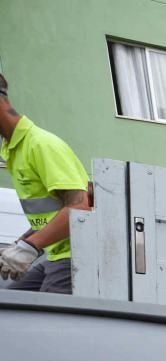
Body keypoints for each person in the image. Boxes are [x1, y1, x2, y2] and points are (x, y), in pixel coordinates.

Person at [0, 72, 90, 293]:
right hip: (56, 254)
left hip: (75, 257)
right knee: (11, 305)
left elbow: (80, 207)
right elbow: (52, 212)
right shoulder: (12, 150)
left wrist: (30, 247)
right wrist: (20, 244)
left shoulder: (41, 144)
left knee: (41, 320)